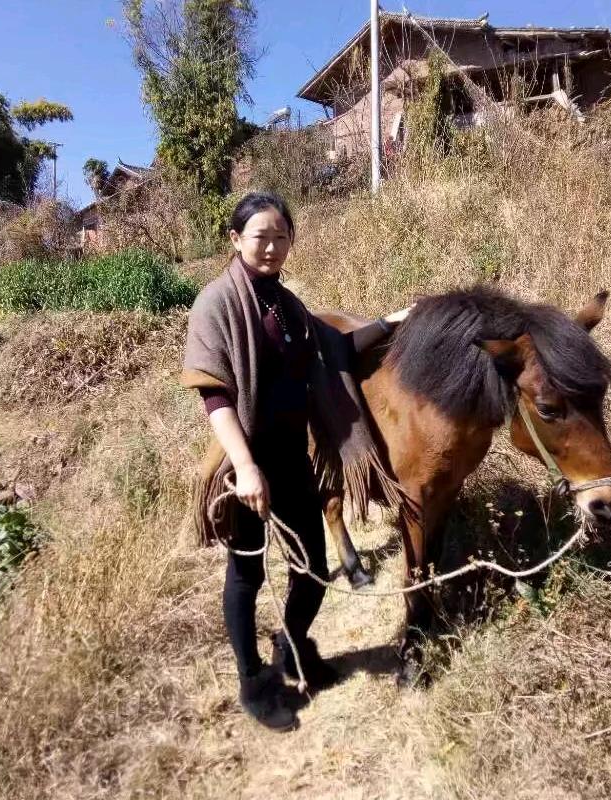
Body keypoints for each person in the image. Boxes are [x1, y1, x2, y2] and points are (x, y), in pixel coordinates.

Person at [181, 192, 411, 731]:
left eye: (281, 236)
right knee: (246, 575)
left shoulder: (288, 305)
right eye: (260, 236)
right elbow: (214, 396)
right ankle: (254, 682)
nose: (272, 246)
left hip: (290, 457)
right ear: (236, 240)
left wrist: (393, 320)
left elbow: (338, 350)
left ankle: (293, 646)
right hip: (243, 463)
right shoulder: (216, 303)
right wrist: (244, 467)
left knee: (309, 569)